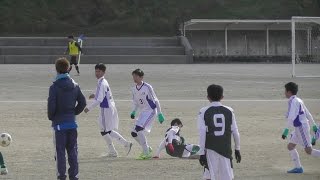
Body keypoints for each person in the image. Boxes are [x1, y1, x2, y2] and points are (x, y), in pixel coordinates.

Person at [48, 57, 86, 180]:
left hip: (59, 124)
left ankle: (61, 177)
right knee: (73, 152)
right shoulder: (75, 85)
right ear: (69, 68)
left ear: (56, 69)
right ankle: (74, 176)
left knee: (60, 153)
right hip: (72, 123)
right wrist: (73, 113)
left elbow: (51, 106)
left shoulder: (54, 87)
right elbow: (82, 102)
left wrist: (52, 117)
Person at [84, 63, 132, 157]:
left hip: (106, 108)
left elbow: (99, 99)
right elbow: (102, 94)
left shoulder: (101, 82)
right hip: (108, 107)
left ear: (103, 72)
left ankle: (125, 144)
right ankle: (113, 150)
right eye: (96, 71)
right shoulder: (103, 81)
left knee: (106, 130)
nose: (97, 73)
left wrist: (88, 108)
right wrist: (94, 94)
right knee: (104, 130)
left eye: (99, 71)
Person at [198, 84, 241, 180]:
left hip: (210, 149)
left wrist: (201, 153)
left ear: (208, 97)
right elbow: (235, 131)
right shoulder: (230, 111)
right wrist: (237, 149)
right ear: (222, 97)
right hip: (226, 149)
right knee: (227, 176)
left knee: (209, 175)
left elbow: (202, 133)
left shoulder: (203, 111)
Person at [281, 82, 320, 173]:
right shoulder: (298, 100)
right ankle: (298, 168)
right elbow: (308, 113)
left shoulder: (293, 101)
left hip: (302, 128)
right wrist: (313, 125)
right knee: (290, 146)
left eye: (285, 91)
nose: (284, 93)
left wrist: (286, 131)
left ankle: (298, 168)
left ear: (289, 92)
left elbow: (291, 118)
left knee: (308, 150)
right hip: (299, 128)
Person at [130, 69, 165, 160]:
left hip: (151, 111)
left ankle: (146, 152)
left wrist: (160, 114)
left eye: (136, 76)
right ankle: (147, 148)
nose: (134, 78)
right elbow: (136, 103)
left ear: (141, 77)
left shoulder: (147, 87)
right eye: (133, 76)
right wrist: (134, 111)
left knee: (139, 129)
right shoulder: (134, 89)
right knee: (134, 133)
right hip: (143, 112)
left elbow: (156, 100)